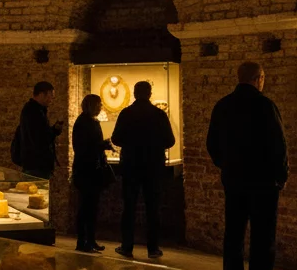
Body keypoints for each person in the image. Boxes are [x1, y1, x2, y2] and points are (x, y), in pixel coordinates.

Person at [207, 61, 288, 270]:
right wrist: (280, 177)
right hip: (263, 182)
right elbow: (278, 145)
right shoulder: (265, 105)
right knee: (262, 236)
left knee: (233, 232)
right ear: (258, 78)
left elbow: (212, 144)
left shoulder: (222, 105)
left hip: (233, 180)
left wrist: (226, 165)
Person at [110, 80, 175, 260]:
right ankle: (153, 248)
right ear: (150, 93)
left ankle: (127, 246)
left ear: (134, 93)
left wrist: (131, 144)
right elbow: (170, 141)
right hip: (153, 166)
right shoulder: (159, 114)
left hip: (131, 165)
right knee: (153, 207)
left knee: (129, 207)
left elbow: (116, 139)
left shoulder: (126, 113)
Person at [71, 94, 113, 253]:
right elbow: (82, 148)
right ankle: (82, 241)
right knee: (85, 207)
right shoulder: (83, 123)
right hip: (85, 171)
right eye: (99, 104)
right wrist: (102, 145)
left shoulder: (91, 122)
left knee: (92, 207)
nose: (101, 107)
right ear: (91, 105)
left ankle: (90, 239)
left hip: (91, 171)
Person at [11, 81, 64, 180]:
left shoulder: (33, 110)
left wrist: (53, 130)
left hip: (35, 164)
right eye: (50, 96)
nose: (51, 100)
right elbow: (39, 139)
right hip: (36, 165)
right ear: (41, 94)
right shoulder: (34, 112)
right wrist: (54, 131)